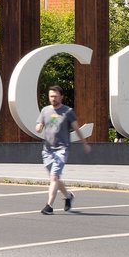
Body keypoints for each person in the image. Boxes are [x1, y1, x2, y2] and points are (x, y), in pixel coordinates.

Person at [34, 85, 89, 214]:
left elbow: (76, 129)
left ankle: (49, 206)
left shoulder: (67, 111)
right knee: (55, 178)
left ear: (61, 97)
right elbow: (39, 125)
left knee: (54, 177)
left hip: (62, 149)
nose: (53, 99)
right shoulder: (45, 110)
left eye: (55, 96)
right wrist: (39, 127)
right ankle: (68, 196)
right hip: (48, 150)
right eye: (51, 96)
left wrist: (84, 143)